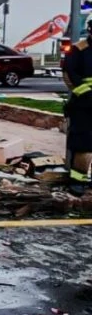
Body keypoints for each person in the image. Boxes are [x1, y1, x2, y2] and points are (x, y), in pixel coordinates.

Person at [63, 14, 92, 196]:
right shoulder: (79, 50)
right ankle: (77, 181)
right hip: (85, 106)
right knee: (84, 145)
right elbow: (69, 74)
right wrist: (86, 95)